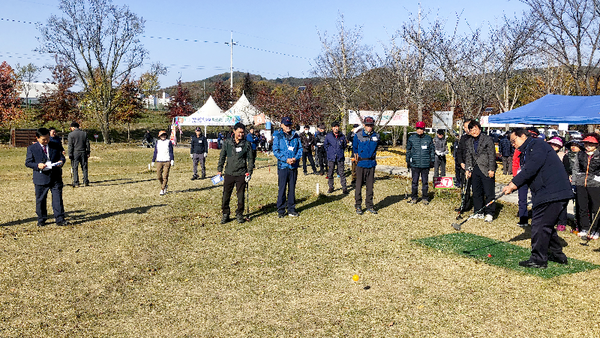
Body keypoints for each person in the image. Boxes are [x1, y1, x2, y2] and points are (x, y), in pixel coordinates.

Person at [502, 128, 573, 268]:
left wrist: (513, 184)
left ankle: (538, 259)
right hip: (546, 193)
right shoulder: (527, 150)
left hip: (553, 192)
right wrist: (515, 184)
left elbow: (531, 168)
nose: (512, 144)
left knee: (539, 225)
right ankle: (558, 255)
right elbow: (526, 172)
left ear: (522, 136)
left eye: (513, 140)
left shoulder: (537, 145)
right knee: (546, 225)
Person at [25, 128, 67, 226]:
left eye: (47, 139)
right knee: (41, 200)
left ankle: (60, 219)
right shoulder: (32, 148)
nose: (46, 141)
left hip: (55, 176)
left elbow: (61, 157)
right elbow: (28, 162)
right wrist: (37, 165)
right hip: (41, 177)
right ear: (37, 138)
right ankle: (41, 219)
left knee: (57, 199)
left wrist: (61, 161)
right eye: (43, 139)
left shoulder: (55, 145)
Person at [217, 122, 255, 224]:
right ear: (234, 131)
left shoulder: (246, 144)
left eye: (243, 133)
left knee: (240, 196)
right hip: (229, 173)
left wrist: (249, 172)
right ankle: (225, 214)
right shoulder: (227, 143)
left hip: (241, 173)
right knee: (226, 195)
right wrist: (219, 169)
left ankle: (239, 214)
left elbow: (250, 160)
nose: (241, 135)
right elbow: (222, 156)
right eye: (239, 132)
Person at [465, 120, 497, 222]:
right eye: (472, 130)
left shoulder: (487, 139)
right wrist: (468, 169)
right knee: (476, 191)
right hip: (475, 168)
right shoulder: (469, 141)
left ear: (479, 129)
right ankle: (478, 211)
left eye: (476, 129)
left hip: (486, 168)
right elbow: (468, 156)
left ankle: (489, 212)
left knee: (489, 192)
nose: (474, 131)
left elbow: (492, 155)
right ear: (469, 131)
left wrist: (491, 169)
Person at [273, 116, 303, 217]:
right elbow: (275, 151)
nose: (288, 127)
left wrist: (296, 158)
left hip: (293, 166)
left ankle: (291, 209)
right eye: (286, 125)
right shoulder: (278, 136)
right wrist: (285, 159)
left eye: (289, 124)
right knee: (282, 188)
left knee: (292, 188)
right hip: (283, 166)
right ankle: (281, 210)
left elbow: (300, 149)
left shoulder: (295, 136)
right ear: (282, 125)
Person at [574, 133, 600, 239]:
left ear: (596, 145)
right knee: (582, 207)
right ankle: (584, 228)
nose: (588, 146)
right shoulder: (580, 154)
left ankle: (595, 230)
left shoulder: (599, 155)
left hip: (595, 184)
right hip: (581, 184)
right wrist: (575, 181)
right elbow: (575, 169)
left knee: (596, 208)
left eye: (591, 144)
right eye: (586, 143)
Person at [353, 117, 379, 215]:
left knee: (370, 186)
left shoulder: (377, 136)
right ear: (364, 125)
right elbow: (355, 148)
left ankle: (369, 205)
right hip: (361, 164)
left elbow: (376, 147)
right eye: (367, 125)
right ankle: (358, 205)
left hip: (371, 164)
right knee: (359, 185)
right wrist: (356, 158)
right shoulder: (358, 135)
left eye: (371, 125)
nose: (369, 127)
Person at [406, 121, 434, 204]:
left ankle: (425, 197)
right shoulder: (411, 138)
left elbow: (432, 150)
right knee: (414, 182)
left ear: (424, 129)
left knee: (425, 182)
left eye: (421, 129)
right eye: (417, 128)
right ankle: (414, 197)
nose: (419, 130)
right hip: (415, 163)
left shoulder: (428, 139)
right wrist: (407, 160)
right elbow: (408, 150)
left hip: (425, 164)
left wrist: (432, 160)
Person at [564, 139, 583, 231]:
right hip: (568, 182)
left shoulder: (583, 156)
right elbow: (565, 169)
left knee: (579, 204)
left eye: (576, 145)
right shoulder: (567, 156)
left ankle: (578, 224)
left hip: (580, 182)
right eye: (572, 145)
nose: (573, 147)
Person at [324, 121, 348, 194]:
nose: (336, 128)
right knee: (330, 173)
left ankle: (344, 187)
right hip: (331, 157)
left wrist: (340, 151)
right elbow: (325, 145)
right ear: (332, 128)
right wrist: (330, 152)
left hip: (340, 157)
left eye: (337, 126)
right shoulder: (328, 136)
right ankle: (331, 187)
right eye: (334, 127)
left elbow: (344, 145)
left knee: (341, 173)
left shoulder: (342, 136)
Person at [455, 120, 472, 211]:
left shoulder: (476, 138)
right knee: (464, 187)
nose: (466, 129)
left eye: (467, 127)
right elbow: (459, 152)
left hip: (474, 167)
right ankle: (464, 205)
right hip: (464, 166)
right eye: (464, 128)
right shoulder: (463, 138)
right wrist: (461, 162)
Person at [67, 121, 90, 187]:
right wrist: (88, 152)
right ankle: (86, 181)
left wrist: (70, 154)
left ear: (73, 127)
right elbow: (87, 144)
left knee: (75, 168)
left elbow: (70, 145)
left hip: (75, 153)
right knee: (84, 167)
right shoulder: (84, 134)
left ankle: (76, 182)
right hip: (83, 152)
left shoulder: (71, 135)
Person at [152, 130, 174, 196]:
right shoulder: (158, 142)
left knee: (165, 176)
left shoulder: (168, 142)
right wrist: (153, 160)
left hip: (167, 160)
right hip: (159, 160)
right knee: (159, 176)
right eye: (162, 135)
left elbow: (171, 151)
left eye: (164, 135)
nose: (163, 136)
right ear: (159, 136)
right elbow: (155, 151)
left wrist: (172, 160)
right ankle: (164, 185)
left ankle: (162, 188)